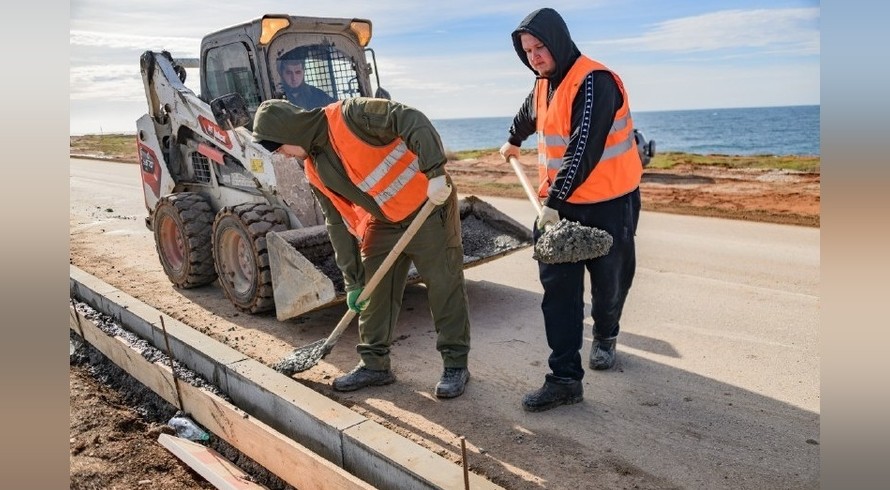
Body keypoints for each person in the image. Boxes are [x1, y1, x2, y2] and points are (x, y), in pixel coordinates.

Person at [252, 97, 472, 399]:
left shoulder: (350, 115)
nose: (283, 156)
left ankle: (455, 364)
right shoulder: (313, 168)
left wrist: (435, 171)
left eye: (279, 148)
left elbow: (411, 118)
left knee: (443, 284)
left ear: (289, 131)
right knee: (373, 291)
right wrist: (353, 281)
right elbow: (336, 223)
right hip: (385, 219)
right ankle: (374, 364)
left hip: (428, 204)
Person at [499, 8, 643, 412]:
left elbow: (584, 148)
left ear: (558, 40)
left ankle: (606, 333)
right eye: (527, 51)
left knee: (609, 282)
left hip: (609, 205)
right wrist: (513, 139)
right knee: (558, 295)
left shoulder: (595, 81)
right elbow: (529, 114)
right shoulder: (543, 85)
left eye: (540, 47)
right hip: (559, 208)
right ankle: (564, 379)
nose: (535, 56)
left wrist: (552, 204)